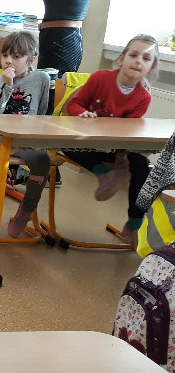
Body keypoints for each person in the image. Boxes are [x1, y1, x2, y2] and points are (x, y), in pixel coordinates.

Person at [62, 34, 159, 247]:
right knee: (65, 144)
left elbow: (128, 133)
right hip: (87, 142)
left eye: (146, 58)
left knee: (142, 165)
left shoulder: (143, 97)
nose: (138, 61)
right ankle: (105, 174)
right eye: (133, 55)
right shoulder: (100, 78)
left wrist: (122, 158)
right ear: (121, 58)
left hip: (116, 147)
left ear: (151, 68)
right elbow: (73, 104)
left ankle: (134, 223)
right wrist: (82, 114)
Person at [0, 31, 51, 237]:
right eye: (5, 55)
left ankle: (26, 211)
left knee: (42, 161)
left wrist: (27, 139)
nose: (8, 61)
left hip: (23, 140)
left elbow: (41, 114)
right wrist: (6, 86)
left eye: (15, 57)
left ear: (30, 60)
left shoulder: (41, 79)